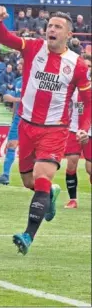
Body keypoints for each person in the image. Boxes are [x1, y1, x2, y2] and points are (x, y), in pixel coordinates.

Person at [0, 7, 91, 255]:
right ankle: (50, 196)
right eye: (50, 26)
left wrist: (85, 127)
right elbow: (3, 38)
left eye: (58, 27)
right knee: (28, 181)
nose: (52, 30)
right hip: (26, 125)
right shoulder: (33, 47)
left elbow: (88, 101)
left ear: (68, 34)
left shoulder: (76, 65)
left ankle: (28, 236)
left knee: (42, 177)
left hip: (54, 130)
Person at [64, 55, 92, 208]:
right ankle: (73, 199)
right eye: (85, 66)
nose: (87, 69)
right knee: (71, 164)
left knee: (90, 169)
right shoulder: (73, 86)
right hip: (74, 129)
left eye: (89, 66)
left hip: (90, 132)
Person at [0, 67, 22, 185]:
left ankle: (37, 176)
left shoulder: (34, 80)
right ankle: (5, 175)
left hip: (31, 119)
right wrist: (14, 116)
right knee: (11, 145)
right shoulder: (18, 80)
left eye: (21, 64)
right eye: (18, 64)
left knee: (32, 149)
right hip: (18, 118)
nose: (19, 66)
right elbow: (8, 98)